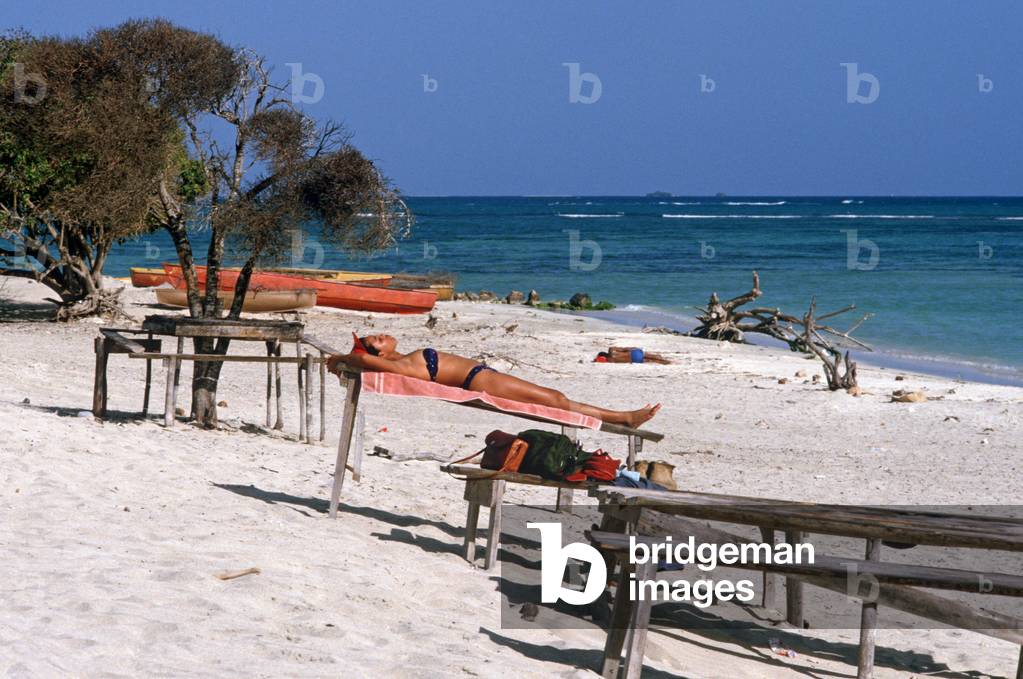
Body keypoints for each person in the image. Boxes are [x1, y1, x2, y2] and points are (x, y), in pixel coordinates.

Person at [327, 333, 661, 428]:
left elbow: (362, 357)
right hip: (481, 383)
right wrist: (343, 358)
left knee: (555, 397)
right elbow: (359, 359)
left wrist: (348, 357)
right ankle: (623, 418)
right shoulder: (404, 367)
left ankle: (622, 416)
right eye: (376, 340)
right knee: (556, 400)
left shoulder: (402, 361)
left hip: (484, 376)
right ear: (378, 355)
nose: (381, 335)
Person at [594, 346, 673, 364]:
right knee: (653, 356)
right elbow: (624, 349)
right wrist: (634, 348)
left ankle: (666, 363)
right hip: (633, 353)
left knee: (652, 360)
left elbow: (598, 360)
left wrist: (596, 359)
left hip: (634, 360)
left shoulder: (610, 361)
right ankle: (668, 361)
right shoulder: (611, 350)